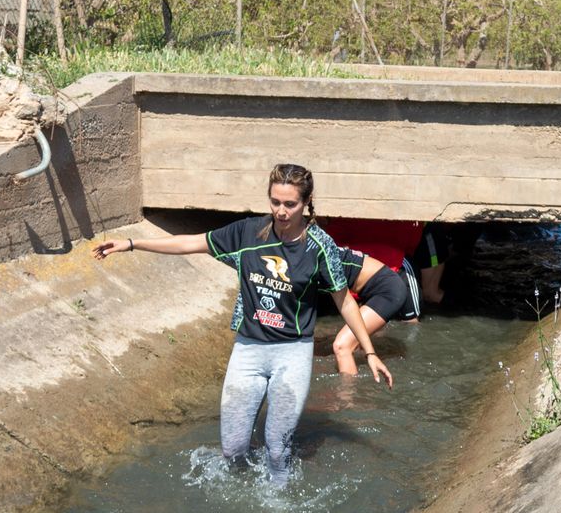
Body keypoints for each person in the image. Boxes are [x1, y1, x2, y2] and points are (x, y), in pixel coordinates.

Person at [92, 163, 393, 484]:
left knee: (277, 448)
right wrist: (132, 243)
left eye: (290, 204)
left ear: (306, 203)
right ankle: (241, 493)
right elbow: (190, 242)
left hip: (292, 353)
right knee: (233, 449)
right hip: (248, 350)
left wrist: (370, 352)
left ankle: (279, 504)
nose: (281, 211)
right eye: (275, 202)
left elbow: (344, 300)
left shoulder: (320, 247)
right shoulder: (248, 232)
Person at [328, 243, 421, 374]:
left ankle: (348, 393)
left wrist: (370, 352)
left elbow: (346, 303)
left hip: (389, 289)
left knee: (342, 346)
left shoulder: (317, 252)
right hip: (368, 288)